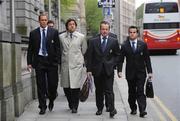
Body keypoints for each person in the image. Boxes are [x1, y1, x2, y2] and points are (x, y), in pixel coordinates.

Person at [27, 13, 60, 115]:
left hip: (51, 62)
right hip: (39, 61)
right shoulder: (33, 33)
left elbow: (58, 48)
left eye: (45, 20)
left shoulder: (54, 32)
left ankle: (51, 99)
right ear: (39, 21)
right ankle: (42, 106)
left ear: (47, 21)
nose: (44, 22)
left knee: (52, 85)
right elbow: (30, 50)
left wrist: (57, 61)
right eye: (42, 20)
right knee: (41, 85)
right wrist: (29, 63)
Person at [86, 21, 120, 118]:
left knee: (109, 90)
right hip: (97, 70)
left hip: (108, 70)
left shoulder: (113, 41)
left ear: (109, 30)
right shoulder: (93, 41)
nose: (104, 31)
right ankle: (99, 108)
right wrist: (89, 70)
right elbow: (89, 56)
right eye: (103, 29)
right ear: (100, 29)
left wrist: (113, 64)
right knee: (99, 90)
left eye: (106, 29)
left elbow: (117, 55)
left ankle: (112, 109)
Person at [118, 26, 153, 118]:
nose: (132, 34)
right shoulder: (124, 45)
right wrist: (119, 71)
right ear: (128, 33)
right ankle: (133, 108)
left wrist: (150, 72)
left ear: (137, 34)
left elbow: (147, 59)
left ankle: (142, 110)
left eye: (134, 32)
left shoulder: (143, 44)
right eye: (131, 32)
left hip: (141, 73)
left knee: (140, 91)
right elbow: (120, 59)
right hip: (130, 73)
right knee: (132, 92)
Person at [59, 18, 87, 113]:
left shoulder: (81, 37)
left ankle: (75, 106)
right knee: (66, 87)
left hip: (77, 65)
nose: (72, 26)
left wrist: (81, 61)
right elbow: (60, 50)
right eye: (70, 24)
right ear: (67, 26)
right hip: (65, 65)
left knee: (75, 87)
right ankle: (70, 103)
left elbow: (84, 51)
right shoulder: (61, 37)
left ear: (75, 26)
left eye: (73, 24)